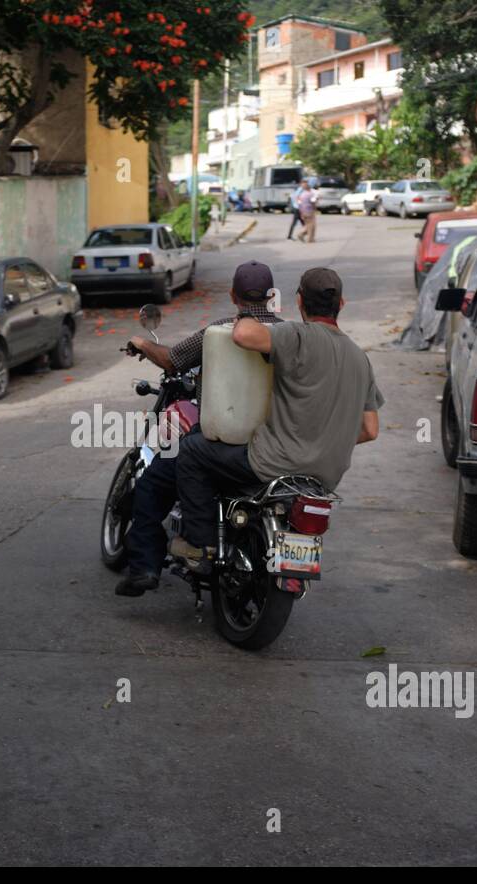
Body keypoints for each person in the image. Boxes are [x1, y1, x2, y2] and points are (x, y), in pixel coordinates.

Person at [170, 267, 383, 573]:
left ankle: (200, 546)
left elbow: (243, 335)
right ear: (342, 304)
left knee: (191, 452)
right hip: (324, 477)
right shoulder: (360, 358)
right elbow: (370, 429)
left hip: (273, 463)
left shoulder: (298, 335)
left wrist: (246, 312)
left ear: (299, 301)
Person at [116, 261, 283, 597]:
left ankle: (146, 568)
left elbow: (172, 360)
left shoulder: (218, 332)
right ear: (270, 296)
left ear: (233, 295)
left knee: (151, 485)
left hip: (217, 444)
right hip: (272, 444)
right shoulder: (290, 335)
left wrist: (142, 343)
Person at [297, 178, 320, 243]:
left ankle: (302, 235)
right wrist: (315, 208)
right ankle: (309, 238)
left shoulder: (301, 194)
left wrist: (301, 212)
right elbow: (313, 202)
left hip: (303, 211)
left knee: (308, 225)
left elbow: (299, 204)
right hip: (310, 211)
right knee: (312, 226)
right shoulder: (311, 194)